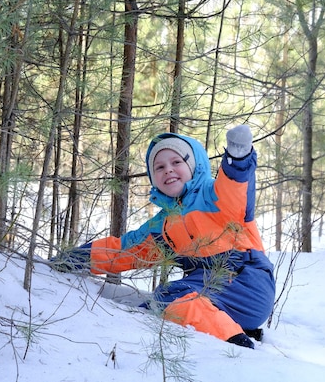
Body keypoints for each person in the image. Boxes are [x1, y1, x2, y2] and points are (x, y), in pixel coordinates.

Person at [52, 125, 276, 349]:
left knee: (169, 295)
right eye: (159, 167)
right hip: (212, 294)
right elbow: (124, 251)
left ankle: (235, 341)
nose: (168, 170)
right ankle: (233, 327)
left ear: (194, 165)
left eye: (176, 162)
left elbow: (235, 187)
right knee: (164, 298)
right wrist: (72, 259)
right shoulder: (164, 225)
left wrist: (238, 158)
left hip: (248, 281)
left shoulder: (215, 196)